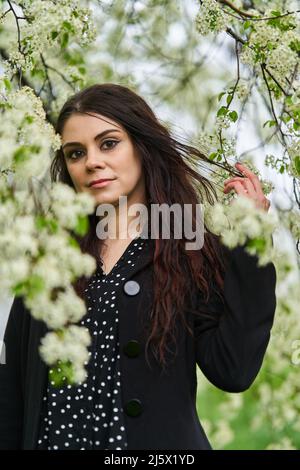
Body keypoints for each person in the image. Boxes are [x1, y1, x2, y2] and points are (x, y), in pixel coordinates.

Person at [0, 83, 276, 450]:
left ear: (142, 147)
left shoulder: (188, 247)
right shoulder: (49, 256)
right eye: (75, 153)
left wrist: (252, 244)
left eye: (109, 143)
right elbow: (13, 389)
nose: (92, 161)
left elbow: (234, 369)